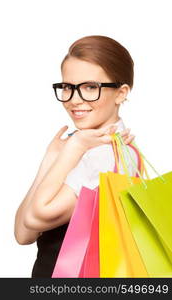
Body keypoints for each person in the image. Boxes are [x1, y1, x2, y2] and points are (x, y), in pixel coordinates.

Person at [14, 35, 138, 278]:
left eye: (91, 87)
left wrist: (71, 149)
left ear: (121, 93)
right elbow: (23, 234)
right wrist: (52, 157)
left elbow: (34, 217)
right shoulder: (81, 145)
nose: (74, 100)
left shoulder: (103, 154)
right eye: (68, 87)